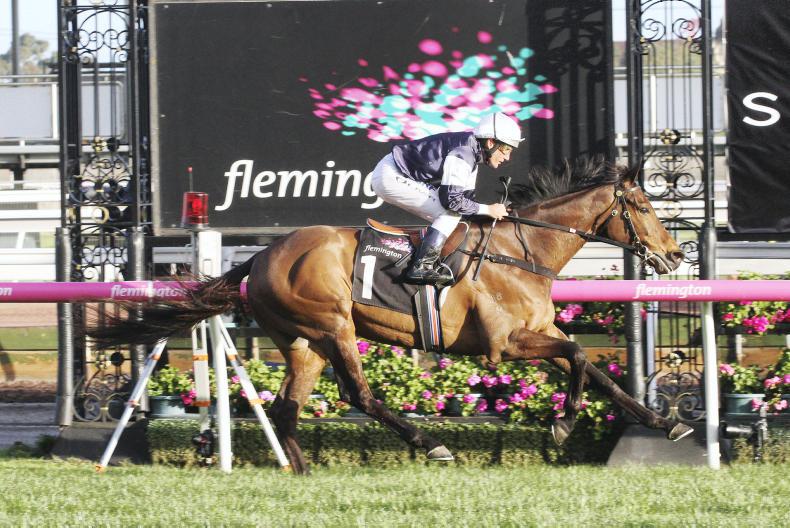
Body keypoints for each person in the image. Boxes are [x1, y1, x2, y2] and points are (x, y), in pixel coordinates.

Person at [370, 111, 523, 284]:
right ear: (490, 142)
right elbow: (452, 200)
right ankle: (421, 267)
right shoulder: (464, 152)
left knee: (455, 213)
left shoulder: (472, 154)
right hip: (392, 175)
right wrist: (489, 209)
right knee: (450, 213)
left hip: (394, 173)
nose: (507, 157)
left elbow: (467, 202)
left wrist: (496, 213)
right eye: (506, 149)